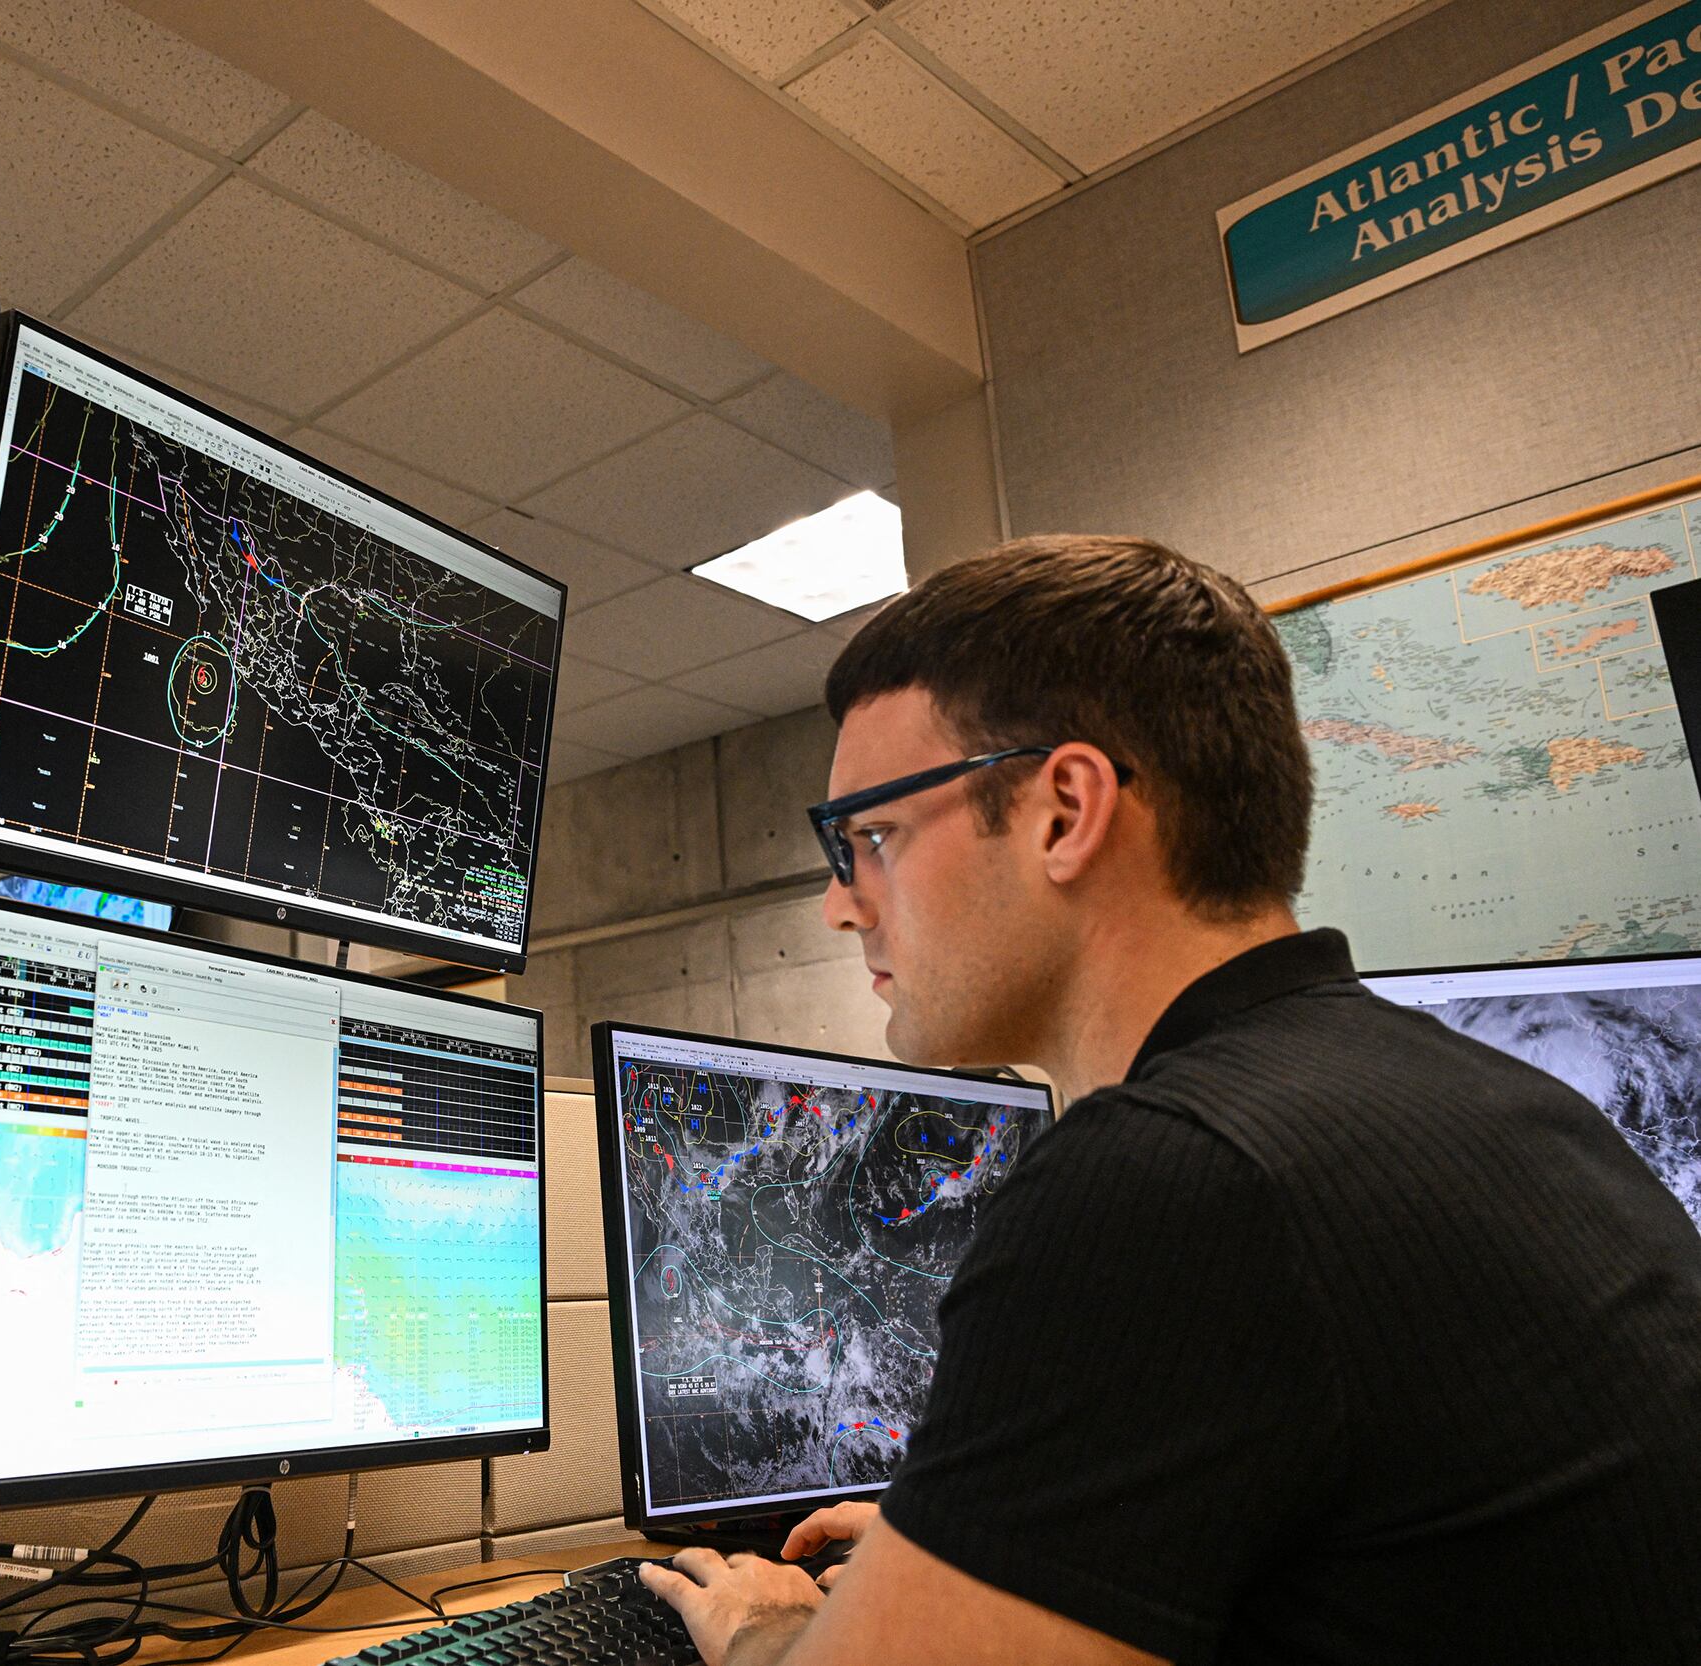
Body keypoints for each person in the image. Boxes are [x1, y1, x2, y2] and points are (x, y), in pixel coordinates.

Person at [636, 536, 1701, 1665]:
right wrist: (969, 1538)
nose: (839, 906)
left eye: (872, 837)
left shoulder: (1168, 1176)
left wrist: (769, 1630)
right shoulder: (1503, 1105)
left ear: (1063, 809)